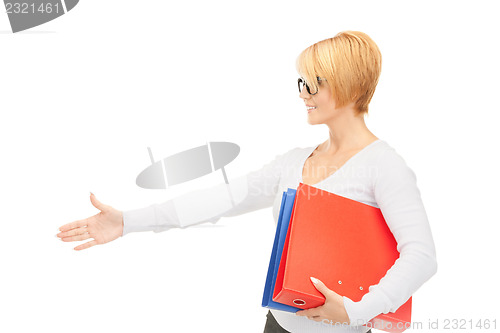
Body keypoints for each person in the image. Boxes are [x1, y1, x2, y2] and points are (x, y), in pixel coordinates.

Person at [57, 31, 437, 333]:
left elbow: (421, 256)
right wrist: (127, 221)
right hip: (278, 324)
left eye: (314, 83)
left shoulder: (383, 165)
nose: (302, 93)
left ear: (349, 84)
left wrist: (357, 312)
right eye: (300, 82)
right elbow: (222, 199)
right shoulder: (295, 161)